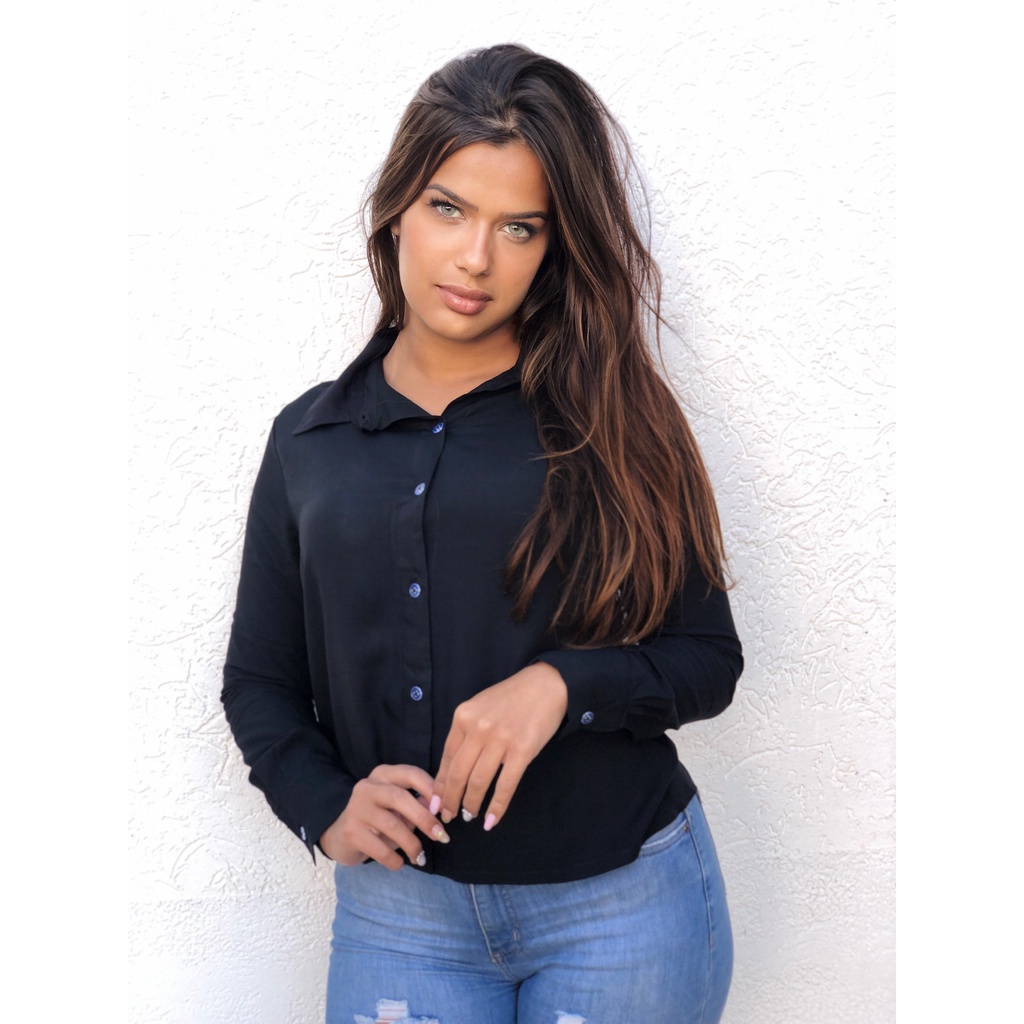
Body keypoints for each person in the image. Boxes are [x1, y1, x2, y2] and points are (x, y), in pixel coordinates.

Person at [223, 44, 742, 1024]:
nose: (475, 258)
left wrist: (561, 685)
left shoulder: (615, 418)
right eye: (447, 208)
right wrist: (323, 804)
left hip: (620, 908)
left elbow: (708, 659)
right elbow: (259, 680)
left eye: (519, 227)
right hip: (399, 917)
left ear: (553, 247)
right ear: (397, 210)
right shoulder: (308, 441)